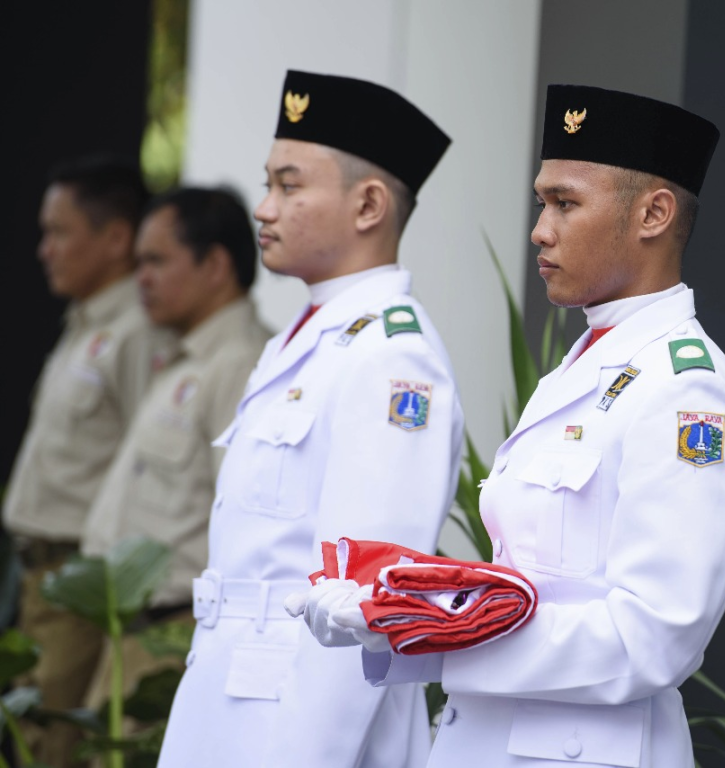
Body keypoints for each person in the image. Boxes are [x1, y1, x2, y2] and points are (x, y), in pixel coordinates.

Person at [298, 84, 725, 768]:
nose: (540, 230)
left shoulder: (686, 389)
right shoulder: (591, 364)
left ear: (653, 213)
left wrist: (442, 637)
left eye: (565, 203)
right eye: (541, 203)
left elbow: (654, 636)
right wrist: (403, 615)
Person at [157, 71, 463, 768]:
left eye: (290, 187)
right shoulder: (306, 337)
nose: (264, 208)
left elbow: (357, 600)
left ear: (368, 205)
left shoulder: (392, 357)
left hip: (297, 722)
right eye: (268, 184)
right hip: (228, 694)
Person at [80, 186, 272, 710]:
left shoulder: (236, 363)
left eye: (157, 261)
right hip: (137, 627)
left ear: (215, 264)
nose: (140, 278)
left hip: (174, 628)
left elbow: (242, 517)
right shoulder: (187, 355)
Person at [4, 155, 165, 767]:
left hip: (77, 579)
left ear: (116, 237)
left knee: (51, 745)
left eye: (59, 232)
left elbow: (141, 465)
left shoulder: (134, 331)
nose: (45, 249)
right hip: (41, 577)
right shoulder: (86, 321)